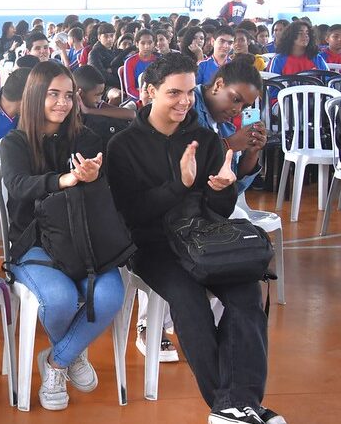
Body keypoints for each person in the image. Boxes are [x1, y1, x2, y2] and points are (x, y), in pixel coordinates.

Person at [105, 52, 283, 424]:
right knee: (189, 301)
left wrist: (221, 189)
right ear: (149, 91)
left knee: (247, 294)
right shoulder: (123, 146)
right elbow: (131, 215)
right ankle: (231, 405)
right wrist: (180, 185)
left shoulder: (206, 139)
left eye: (188, 92)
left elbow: (218, 210)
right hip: (152, 245)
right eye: (174, 93)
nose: (184, 101)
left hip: (205, 240)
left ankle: (236, 405)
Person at [0, 60, 124, 411]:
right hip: (34, 243)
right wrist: (64, 180)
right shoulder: (15, 142)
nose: (62, 103)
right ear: (35, 95)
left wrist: (94, 177)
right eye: (53, 94)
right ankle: (73, 353)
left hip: (83, 239)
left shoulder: (87, 138)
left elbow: (104, 192)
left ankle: (57, 361)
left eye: (69, 95)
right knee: (60, 300)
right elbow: (18, 185)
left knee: (109, 296)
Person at [194, 59, 267, 194]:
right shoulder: (188, 106)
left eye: (245, 106)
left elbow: (232, 190)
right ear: (218, 85)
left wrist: (252, 152)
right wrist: (229, 144)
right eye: (236, 99)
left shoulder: (226, 128)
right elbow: (182, 161)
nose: (237, 110)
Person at [122, 29, 158, 100]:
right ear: (137, 44)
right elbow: (130, 89)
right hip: (137, 98)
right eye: (143, 43)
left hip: (156, 98)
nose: (147, 46)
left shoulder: (158, 60)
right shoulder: (130, 62)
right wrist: (145, 98)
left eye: (150, 43)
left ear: (154, 44)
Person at [88, 23, 119, 89]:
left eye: (112, 36)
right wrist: (120, 81)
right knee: (117, 94)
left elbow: (123, 68)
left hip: (118, 83)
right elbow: (100, 75)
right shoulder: (94, 53)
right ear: (99, 38)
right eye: (106, 36)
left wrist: (113, 70)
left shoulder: (116, 51)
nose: (109, 39)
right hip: (102, 87)